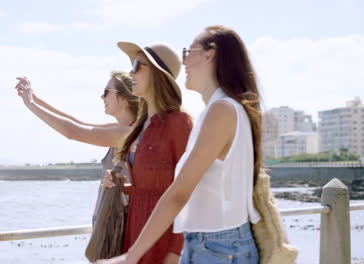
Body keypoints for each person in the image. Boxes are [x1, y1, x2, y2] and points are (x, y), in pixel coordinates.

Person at [97, 25, 263, 264]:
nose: (184, 61)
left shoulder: (221, 110)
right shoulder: (221, 109)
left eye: (188, 51)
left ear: (209, 55)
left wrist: (130, 257)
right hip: (212, 244)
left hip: (218, 247)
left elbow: (179, 193)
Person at [101, 42, 193, 264]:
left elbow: (189, 193)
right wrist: (123, 186)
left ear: (158, 74)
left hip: (163, 238)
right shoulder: (144, 126)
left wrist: (175, 253)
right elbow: (156, 186)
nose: (130, 72)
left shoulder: (179, 123)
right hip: (138, 231)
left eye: (137, 65)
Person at [15, 71, 138, 225]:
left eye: (106, 92)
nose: (102, 97)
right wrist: (36, 99)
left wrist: (31, 104)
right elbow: (77, 124)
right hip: (118, 222)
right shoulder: (125, 129)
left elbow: (72, 131)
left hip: (121, 226)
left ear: (124, 98)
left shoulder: (126, 133)